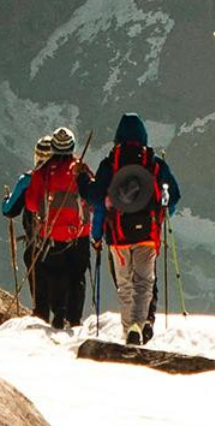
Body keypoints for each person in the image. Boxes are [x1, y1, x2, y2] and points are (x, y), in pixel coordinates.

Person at [89, 113, 182, 345]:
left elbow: (97, 201)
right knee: (144, 282)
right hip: (147, 235)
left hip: (118, 236)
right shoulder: (155, 164)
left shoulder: (110, 165)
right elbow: (174, 196)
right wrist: (161, 218)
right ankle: (138, 327)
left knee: (125, 285)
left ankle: (128, 330)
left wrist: (97, 235)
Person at [10, 128, 93, 328]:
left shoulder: (43, 172)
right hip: (79, 233)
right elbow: (92, 198)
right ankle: (74, 320)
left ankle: (58, 314)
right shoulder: (81, 169)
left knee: (56, 274)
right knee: (77, 275)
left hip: (51, 233)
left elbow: (30, 204)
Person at [0, 136, 55, 319]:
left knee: (37, 275)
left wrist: (5, 201)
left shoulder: (27, 180)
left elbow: (9, 210)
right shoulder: (68, 179)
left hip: (37, 242)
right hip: (65, 240)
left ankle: (41, 314)